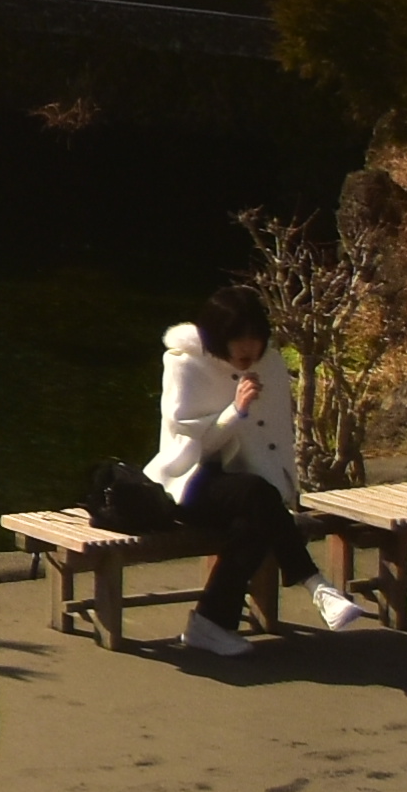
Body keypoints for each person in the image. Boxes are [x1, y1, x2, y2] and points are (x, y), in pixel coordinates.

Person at [148, 279, 356, 652]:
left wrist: (286, 487)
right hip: (190, 481)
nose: (248, 347)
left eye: (255, 336)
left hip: (247, 486)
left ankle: (209, 624)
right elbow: (194, 445)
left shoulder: (270, 363)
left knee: (256, 521)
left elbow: (276, 438)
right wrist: (236, 411)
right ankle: (316, 585)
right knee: (258, 496)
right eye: (237, 337)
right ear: (216, 336)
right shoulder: (184, 365)